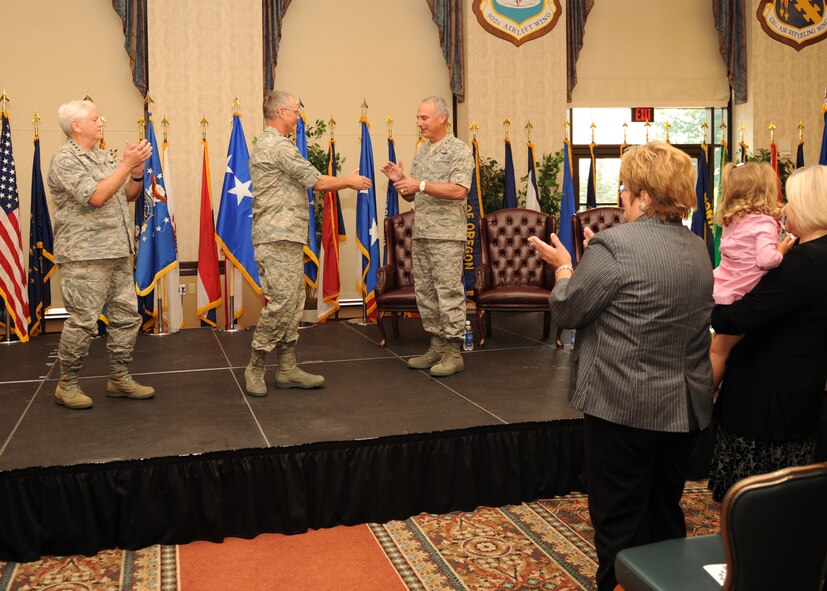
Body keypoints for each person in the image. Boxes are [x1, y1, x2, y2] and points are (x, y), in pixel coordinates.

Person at [528, 141, 714, 591]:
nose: (621, 197)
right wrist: (600, 257)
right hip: (682, 407)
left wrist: (567, 268)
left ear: (645, 196)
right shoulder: (697, 247)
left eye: (626, 188)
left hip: (623, 405)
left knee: (618, 518)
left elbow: (569, 311)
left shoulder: (615, 246)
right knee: (664, 508)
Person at [708, 164, 827, 502]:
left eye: (788, 200)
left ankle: (746, 556)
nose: (784, 208)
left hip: (768, 400)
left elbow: (738, 317)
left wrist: (714, 309)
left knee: (754, 506)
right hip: (800, 388)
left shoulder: (804, 262)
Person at [245, 90, 372, 396]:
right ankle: (256, 365)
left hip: (286, 236)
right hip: (275, 237)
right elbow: (317, 181)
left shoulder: (276, 144)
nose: (298, 116)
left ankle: (287, 367)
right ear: (280, 113)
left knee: (293, 303)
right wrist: (349, 182)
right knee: (282, 304)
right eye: (294, 111)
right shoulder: (276, 146)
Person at [47, 99, 155, 410]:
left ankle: (119, 377)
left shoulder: (103, 159)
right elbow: (95, 197)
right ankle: (67, 384)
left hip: (118, 252)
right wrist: (124, 164)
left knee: (125, 318)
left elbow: (128, 195)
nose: (100, 122)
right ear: (76, 126)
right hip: (84, 256)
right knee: (83, 322)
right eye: (94, 119)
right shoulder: (65, 160)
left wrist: (134, 172)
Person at [380, 96, 474, 377]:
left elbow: (459, 190)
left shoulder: (458, 150)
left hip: (447, 235)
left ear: (442, 118)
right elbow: (413, 193)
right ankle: (435, 345)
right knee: (426, 293)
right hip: (422, 233)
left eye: (424, 118)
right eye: (418, 118)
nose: (419, 123)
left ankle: (453, 352)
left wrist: (419, 183)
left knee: (448, 292)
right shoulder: (422, 152)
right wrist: (402, 179)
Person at [709, 162, 796, 390]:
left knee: (718, 349)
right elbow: (766, 260)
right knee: (720, 351)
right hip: (744, 298)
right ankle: (706, 402)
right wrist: (781, 250)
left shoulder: (733, 220)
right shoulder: (764, 223)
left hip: (724, 294)